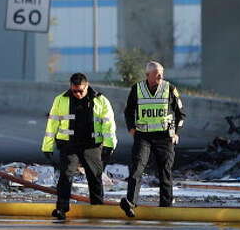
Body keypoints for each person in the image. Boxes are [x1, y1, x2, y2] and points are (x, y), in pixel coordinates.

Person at [41, 72, 117, 221]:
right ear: (70, 87)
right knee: (66, 176)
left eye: (80, 91)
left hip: (91, 146)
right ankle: (61, 209)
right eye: (74, 91)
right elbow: (52, 124)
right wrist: (47, 146)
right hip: (69, 145)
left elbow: (108, 125)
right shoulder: (61, 100)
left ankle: (97, 208)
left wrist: (109, 145)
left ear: (87, 86)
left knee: (94, 177)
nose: (77, 94)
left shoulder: (100, 100)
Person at [120, 61, 186, 217]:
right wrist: (131, 128)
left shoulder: (170, 89)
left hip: (164, 137)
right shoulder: (137, 89)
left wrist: (176, 133)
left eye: (161, 73)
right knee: (137, 169)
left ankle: (166, 207)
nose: (160, 76)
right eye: (157, 74)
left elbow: (180, 114)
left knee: (165, 171)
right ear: (147, 75)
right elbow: (128, 111)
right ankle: (130, 203)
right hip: (143, 136)